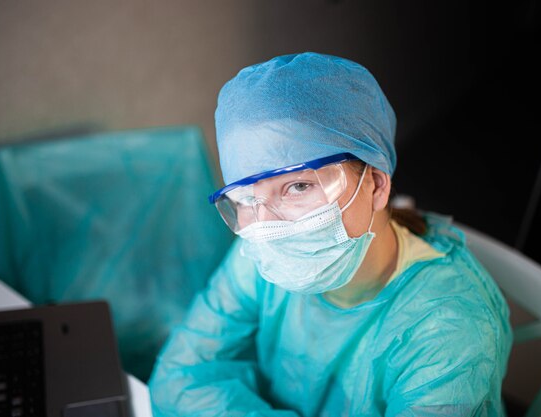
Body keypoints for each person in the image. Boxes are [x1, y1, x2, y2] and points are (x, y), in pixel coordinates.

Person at [148, 52, 512, 416]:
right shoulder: (261, 252)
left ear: (376, 185)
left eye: (299, 186)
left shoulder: (448, 330)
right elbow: (178, 376)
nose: (269, 224)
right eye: (246, 197)